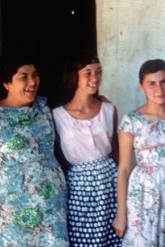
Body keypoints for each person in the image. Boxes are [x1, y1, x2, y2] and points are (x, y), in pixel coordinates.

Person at [0, 55, 69, 246]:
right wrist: (9, 177)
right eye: (24, 77)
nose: (32, 82)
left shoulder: (43, 107)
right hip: (15, 208)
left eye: (35, 75)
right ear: (7, 84)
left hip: (51, 202)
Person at [113, 59, 165, 246]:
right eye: (152, 83)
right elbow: (124, 168)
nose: (159, 88)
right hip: (143, 193)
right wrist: (121, 214)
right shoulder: (131, 120)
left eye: (164, 81)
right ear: (141, 86)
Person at [52, 49, 121, 246]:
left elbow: (117, 155)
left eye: (98, 71)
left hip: (109, 184)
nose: (95, 77)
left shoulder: (108, 109)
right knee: (82, 239)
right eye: (88, 72)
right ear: (74, 76)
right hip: (78, 189)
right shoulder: (57, 116)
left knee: (113, 238)